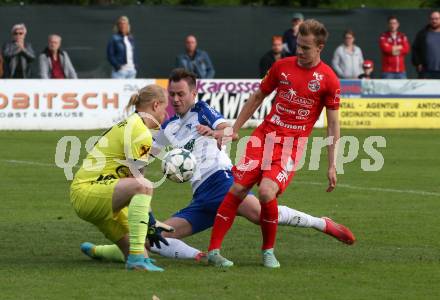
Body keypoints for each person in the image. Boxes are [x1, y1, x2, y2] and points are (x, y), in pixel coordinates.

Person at [81, 68, 355, 264]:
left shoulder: (203, 110)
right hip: (201, 196)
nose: (176, 99)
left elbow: (226, 128)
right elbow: (147, 154)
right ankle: (106, 251)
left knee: (261, 214)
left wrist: (220, 133)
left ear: (194, 93)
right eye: (172, 94)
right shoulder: (167, 126)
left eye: (181, 94)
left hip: (221, 181)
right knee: (157, 238)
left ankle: (322, 224)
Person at [206, 19, 346, 269]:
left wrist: (332, 164)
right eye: (298, 46)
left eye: (305, 48)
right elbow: (258, 96)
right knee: (237, 189)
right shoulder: (281, 67)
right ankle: (213, 251)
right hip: (263, 137)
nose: (299, 52)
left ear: (320, 47)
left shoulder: (329, 80)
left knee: (266, 192)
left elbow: (333, 124)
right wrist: (234, 129)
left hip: (290, 146)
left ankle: (267, 251)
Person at [70, 84, 169, 271]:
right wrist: (151, 220)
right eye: (165, 108)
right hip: (90, 192)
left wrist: (150, 222)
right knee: (144, 185)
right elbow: (139, 182)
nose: (166, 113)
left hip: (99, 192)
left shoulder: (133, 124)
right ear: (156, 105)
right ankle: (137, 259)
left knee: (144, 244)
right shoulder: (139, 131)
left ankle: (99, 252)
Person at [412, 10, 440, 79]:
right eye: (432, 19)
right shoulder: (422, 34)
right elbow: (415, 49)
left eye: (436, 19)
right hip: (426, 71)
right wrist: (418, 63)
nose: (434, 21)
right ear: (429, 20)